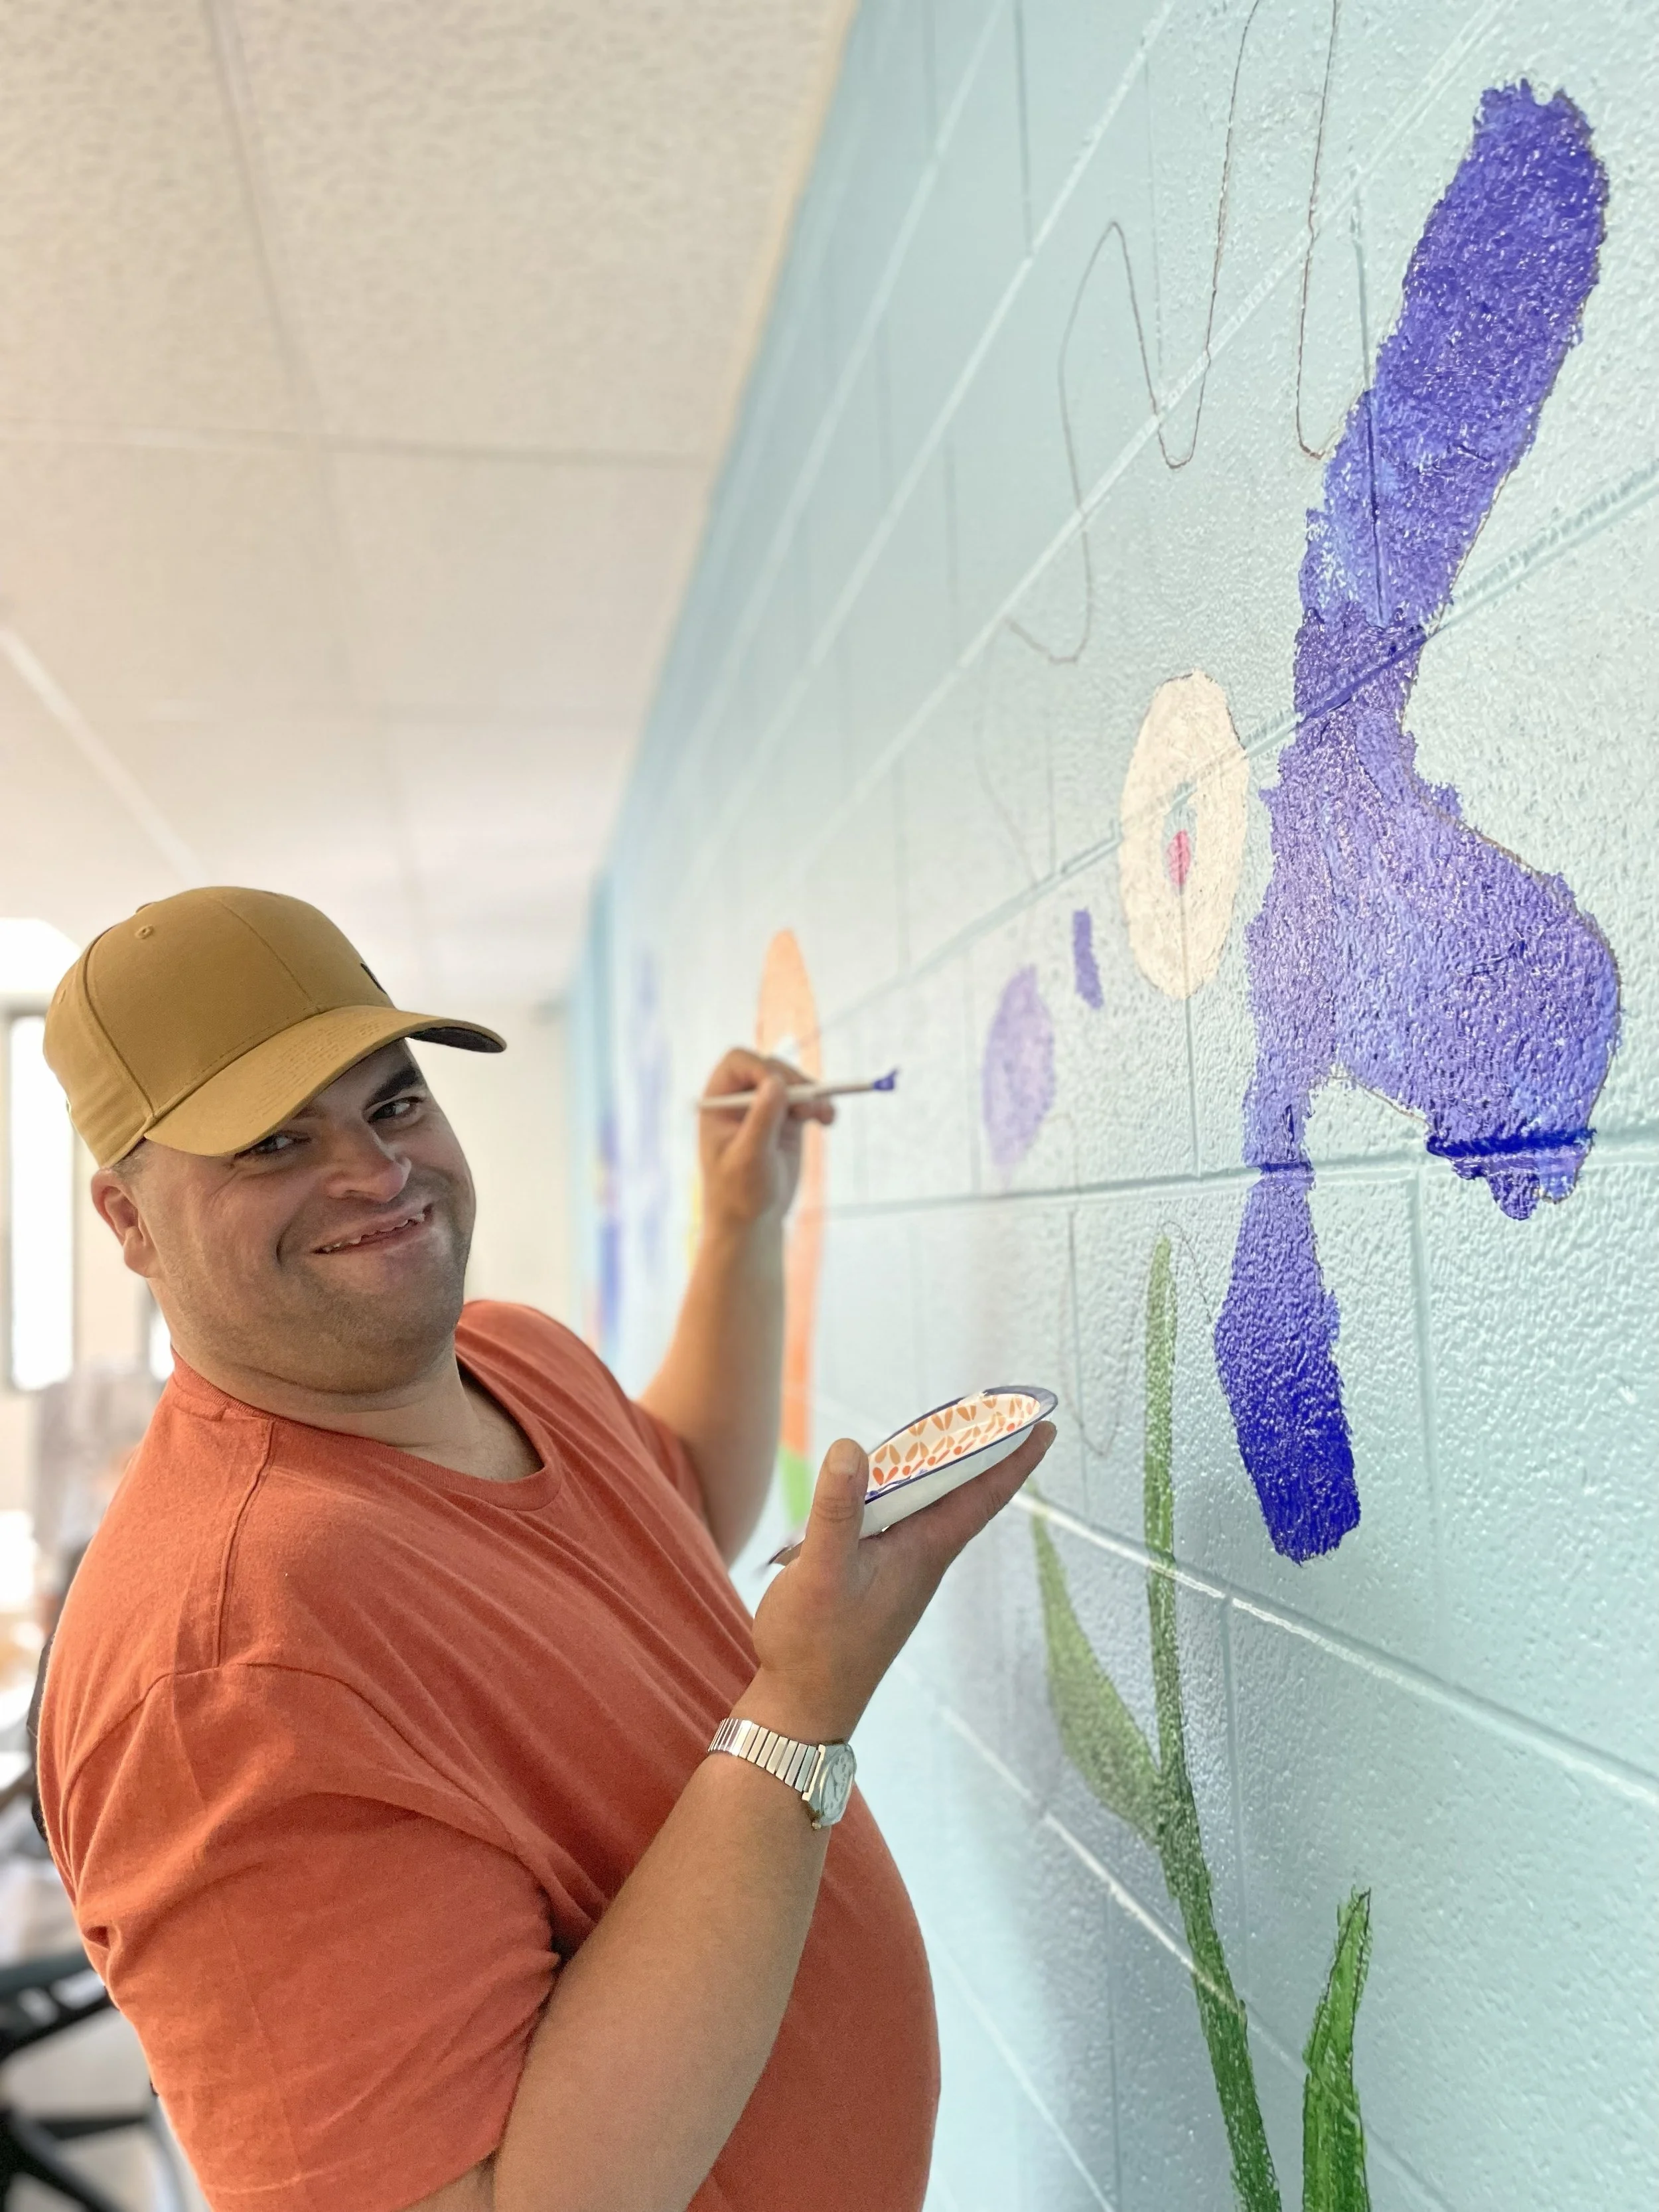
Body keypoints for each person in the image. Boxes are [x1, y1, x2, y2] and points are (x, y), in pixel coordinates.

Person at [33, 887, 1052, 2212]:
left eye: (390, 1103)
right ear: (126, 1220)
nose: (372, 1170)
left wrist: (740, 1225)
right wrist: (799, 1715)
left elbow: (670, 1495)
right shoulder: (228, 1666)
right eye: (274, 1142)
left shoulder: (505, 1357)